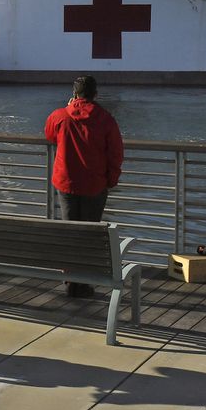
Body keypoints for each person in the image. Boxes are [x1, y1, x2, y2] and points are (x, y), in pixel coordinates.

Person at [44, 75, 123, 298]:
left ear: (74, 93)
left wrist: (68, 108)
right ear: (96, 94)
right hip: (95, 185)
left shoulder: (60, 116)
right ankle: (85, 283)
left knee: (71, 232)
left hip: (66, 184)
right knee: (90, 234)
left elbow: (50, 134)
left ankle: (71, 280)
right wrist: (111, 180)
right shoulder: (106, 119)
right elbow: (116, 153)